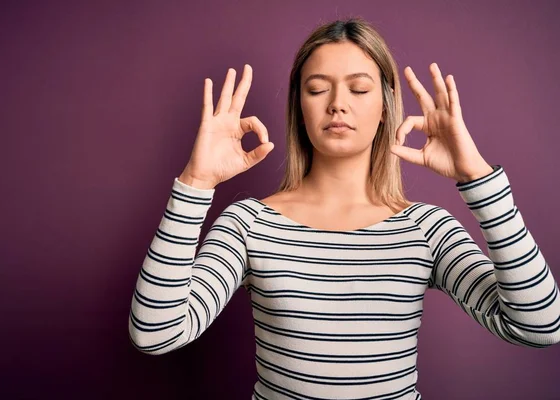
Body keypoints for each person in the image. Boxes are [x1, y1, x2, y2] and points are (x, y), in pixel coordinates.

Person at [128, 17, 560, 400]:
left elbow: (540, 326)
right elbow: (155, 333)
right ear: (299, 104)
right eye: (317, 88)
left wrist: (478, 178)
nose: (337, 103)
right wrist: (195, 183)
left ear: (385, 106)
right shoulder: (249, 224)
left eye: (358, 88)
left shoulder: (426, 229)